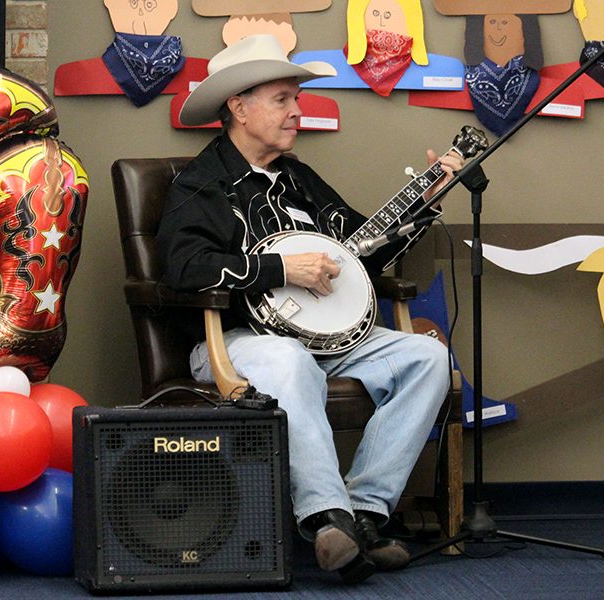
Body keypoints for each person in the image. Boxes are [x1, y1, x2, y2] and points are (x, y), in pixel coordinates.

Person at [156, 34, 464, 583]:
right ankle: (327, 518)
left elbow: (362, 250)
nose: (298, 111)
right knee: (289, 361)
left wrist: (425, 201)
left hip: (333, 343)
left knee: (428, 358)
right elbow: (182, 270)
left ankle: (364, 517)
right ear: (238, 107)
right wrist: (281, 270)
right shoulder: (200, 186)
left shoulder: (299, 179)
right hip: (238, 344)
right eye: (282, 99)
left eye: (296, 99)